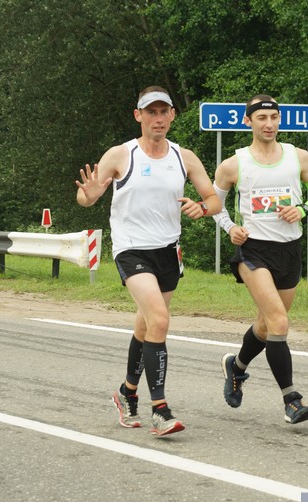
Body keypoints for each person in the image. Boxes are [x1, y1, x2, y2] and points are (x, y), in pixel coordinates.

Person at [76, 86, 221, 436]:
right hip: (131, 249)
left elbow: (214, 199)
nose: (157, 119)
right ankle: (161, 410)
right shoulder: (121, 155)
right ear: (138, 115)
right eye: (150, 112)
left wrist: (201, 208)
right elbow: (86, 197)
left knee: (146, 327)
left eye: (163, 112)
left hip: (168, 252)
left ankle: (127, 392)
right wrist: (90, 193)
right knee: (159, 319)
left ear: (172, 115)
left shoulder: (184, 157)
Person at [212, 94, 308, 424]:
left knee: (267, 326)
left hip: (289, 251)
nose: (269, 124)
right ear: (248, 122)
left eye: (274, 117)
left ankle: (236, 368)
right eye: (261, 118)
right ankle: (291, 400)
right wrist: (230, 227)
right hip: (253, 251)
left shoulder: (298, 157)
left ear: (280, 120)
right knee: (278, 321)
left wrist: (303, 208)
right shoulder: (233, 164)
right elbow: (212, 203)